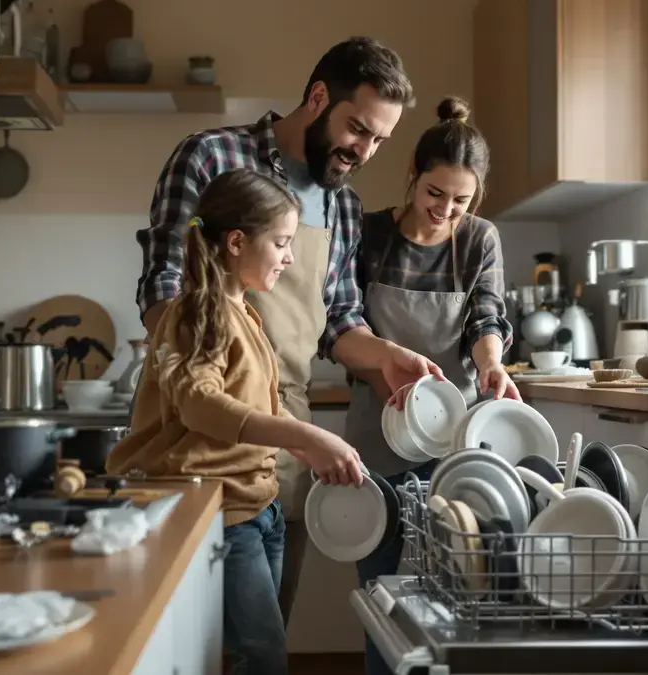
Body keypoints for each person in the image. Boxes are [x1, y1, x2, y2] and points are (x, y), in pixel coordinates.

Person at [135, 37, 442, 629]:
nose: (364, 150)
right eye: (358, 129)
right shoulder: (212, 157)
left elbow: (338, 321)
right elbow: (164, 287)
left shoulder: (343, 207)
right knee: (188, 637)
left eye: (379, 139)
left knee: (266, 631)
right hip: (200, 438)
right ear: (318, 97)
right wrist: (209, 369)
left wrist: (385, 356)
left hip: (289, 442)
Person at [108, 168, 365, 675]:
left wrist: (304, 448)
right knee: (263, 655)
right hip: (219, 513)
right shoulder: (194, 315)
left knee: (262, 650)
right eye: (281, 243)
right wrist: (306, 434)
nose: (289, 258)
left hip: (258, 504)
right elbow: (201, 406)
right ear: (236, 242)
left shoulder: (244, 312)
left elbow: (252, 404)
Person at [345, 96, 519, 675]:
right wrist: (385, 380)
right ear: (413, 175)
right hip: (377, 431)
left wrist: (492, 364)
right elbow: (344, 324)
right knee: (382, 591)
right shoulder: (369, 233)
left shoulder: (479, 240)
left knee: (454, 588)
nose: (445, 210)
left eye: (461, 200)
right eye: (434, 193)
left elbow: (486, 318)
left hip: (453, 436)